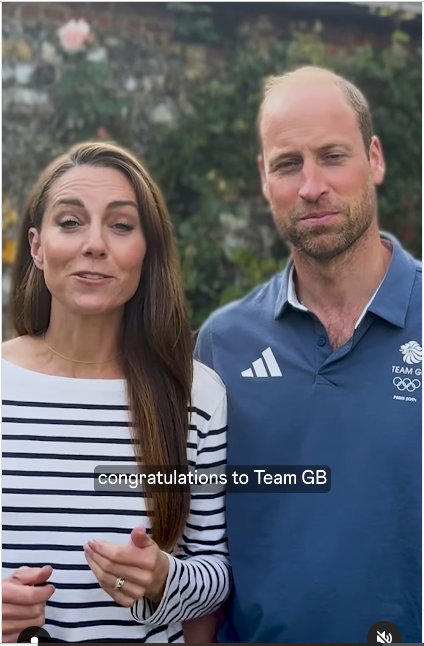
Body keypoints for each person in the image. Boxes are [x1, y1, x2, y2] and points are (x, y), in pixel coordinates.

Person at [195, 66, 421, 643]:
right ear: (264, 178)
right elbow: (200, 546)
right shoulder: (224, 343)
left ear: (374, 158)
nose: (311, 185)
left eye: (332, 156)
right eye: (287, 164)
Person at [2, 141, 230, 643]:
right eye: (70, 222)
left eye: (122, 225)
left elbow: (216, 576)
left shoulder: (196, 395)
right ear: (37, 248)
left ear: (146, 253)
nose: (95, 244)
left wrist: (163, 580)